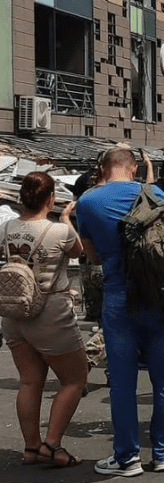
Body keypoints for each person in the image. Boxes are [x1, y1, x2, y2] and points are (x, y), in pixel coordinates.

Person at [77, 148, 164, 476]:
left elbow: (91, 257)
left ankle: (127, 458)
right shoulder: (158, 194)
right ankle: (163, 454)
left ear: (103, 168)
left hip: (119, 297)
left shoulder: (88, 202)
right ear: (134, 168)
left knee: (122, 381)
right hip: (161, 297)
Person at [3, 172, 87, 467]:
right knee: (75, 379)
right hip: (51, 312)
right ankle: (52, 446)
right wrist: (66, 219)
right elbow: (79, 252)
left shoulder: (5, 227)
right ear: (50, 197)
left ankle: (30, 447)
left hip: (14, 312)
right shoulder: (60, 231)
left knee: (29, 381)